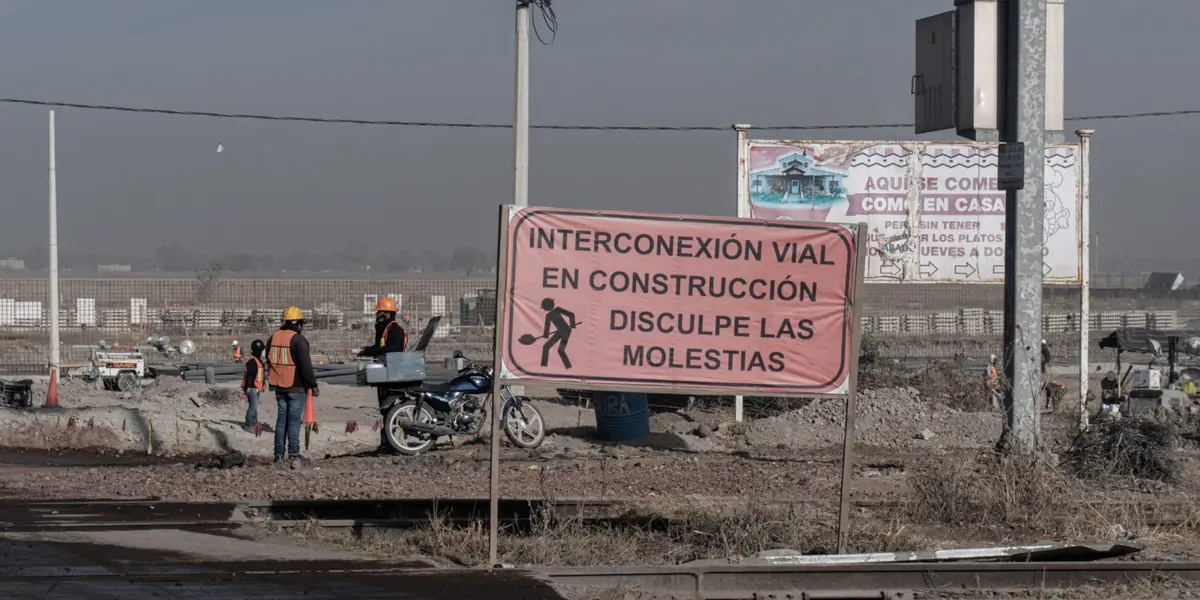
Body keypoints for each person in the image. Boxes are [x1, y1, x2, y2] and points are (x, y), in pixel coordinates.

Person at [265, 306, 319, 466]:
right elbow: (305, 366)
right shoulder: (298, 340)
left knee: (281, 421)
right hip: (296, 387)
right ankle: (294, 455)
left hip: (279, 386)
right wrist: (313, 385)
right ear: (299, 323)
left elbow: (269, 360)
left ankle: (278, 456)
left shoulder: (273, 338)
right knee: (294, 422)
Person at [357, 297, 409, 454]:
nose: (377, 315)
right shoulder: (385, 329)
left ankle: (391, 444)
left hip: (391, 375)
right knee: (386, 410)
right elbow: (381, 347)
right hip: (385, 374)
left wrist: (370, 351)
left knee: (390, 410)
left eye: (379, 312)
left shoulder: (394, 330)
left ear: (387, 314)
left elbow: (391, 349)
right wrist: (367, 350)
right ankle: (387, 443)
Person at [240, 339, 266, 432]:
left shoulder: (259, 361)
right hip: (252, 388)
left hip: (257, 387)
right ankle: (249, 424)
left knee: (255, 406)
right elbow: (250, 375)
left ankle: (254, 422)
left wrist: (263, 384)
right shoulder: (252, 362)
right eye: (263, 350)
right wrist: (249, 387)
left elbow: (259, 375)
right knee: (253, 406)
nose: (264, 352)